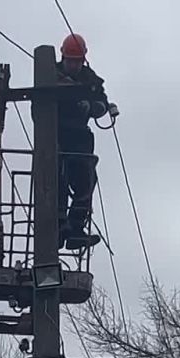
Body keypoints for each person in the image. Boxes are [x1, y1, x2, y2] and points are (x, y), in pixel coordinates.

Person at [56, 33, 118, 250]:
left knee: (86, 181)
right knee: (56, 181)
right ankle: (57, 227)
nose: (73, 65)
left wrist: (90, 107)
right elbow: (39, 106)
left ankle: (75, 229)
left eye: (77, 61)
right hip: (54, 135)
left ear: (83, 60)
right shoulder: (49, 75)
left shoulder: (90, 80)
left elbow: (102, 103)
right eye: (70, 60)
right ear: (63, 57)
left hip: (80, 137)